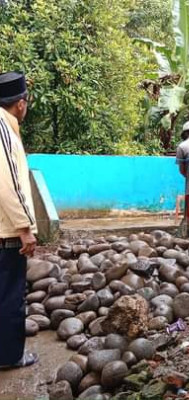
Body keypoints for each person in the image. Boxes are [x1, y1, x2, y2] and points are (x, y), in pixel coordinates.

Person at [0, 71, 39, 369]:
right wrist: (25, 228)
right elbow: (8, 184)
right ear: (21, 103)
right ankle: (11, 356)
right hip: (7, 233)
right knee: (11, 298)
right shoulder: (3, 129)